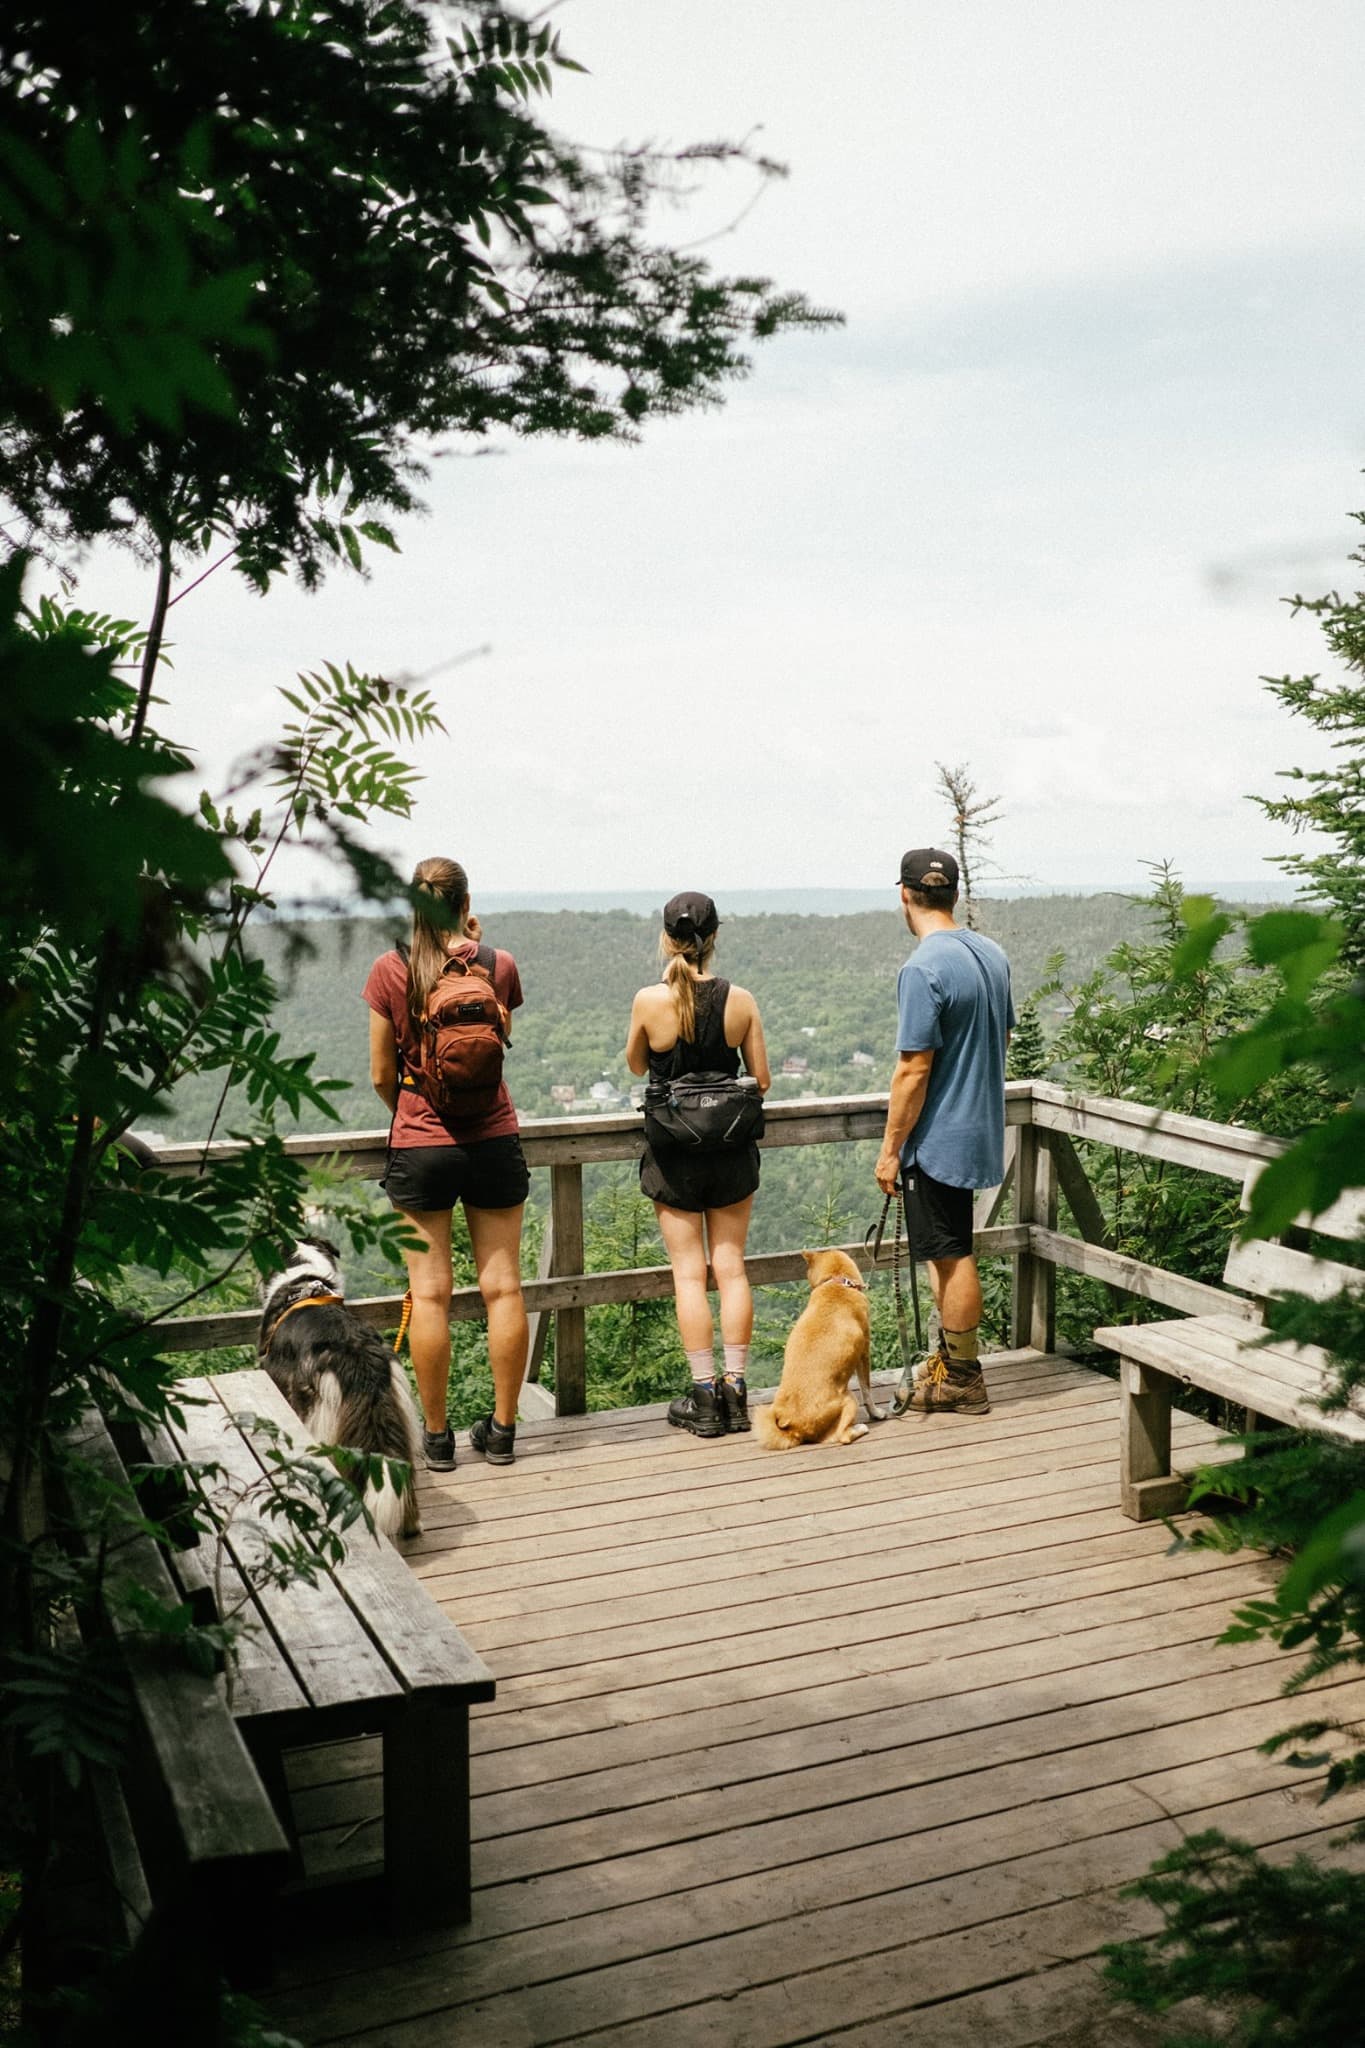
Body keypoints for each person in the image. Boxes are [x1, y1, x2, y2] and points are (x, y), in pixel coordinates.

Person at [363, 857, 530, 1470]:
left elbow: (381, 1073)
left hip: (421, 1143)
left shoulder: (391, 969)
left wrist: (412, 1112)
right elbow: (493, 1042)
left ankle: (436, 1438)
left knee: (429, 1296)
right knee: (503, 1288)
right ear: (466, 903)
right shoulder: (498, 964)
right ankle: (503, 1430)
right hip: (493, 1137)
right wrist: (476, 942)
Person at [874, 848, 1015, 1415]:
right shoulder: (992, 954)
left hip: (937, 1139)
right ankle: (951, 1362)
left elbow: (913, 1069)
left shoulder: (922, 969)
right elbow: (1002, 1039)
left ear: (904, 896)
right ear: (953, 895)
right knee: (946, 1250)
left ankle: (962, 1377)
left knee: (952, 1254)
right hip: (980, 1127)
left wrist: (890, 1150)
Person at [626, 892, 771, 1438]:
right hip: (730, 1149)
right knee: (731, 1268)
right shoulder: (741, 1000)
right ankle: (737, 1390)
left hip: (674, 1152)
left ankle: (704, 1395)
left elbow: (636, 1064)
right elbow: (761, 1079)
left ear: (667, 939)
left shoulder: (649, 1000)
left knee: (689, 1275)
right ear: (715, 937)